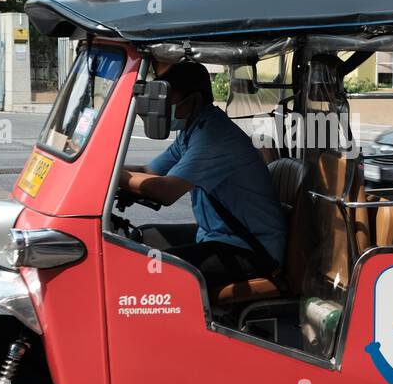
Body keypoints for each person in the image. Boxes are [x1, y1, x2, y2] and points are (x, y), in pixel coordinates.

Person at [119, 62, 287, 296]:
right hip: (218, 236)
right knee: (143, 238)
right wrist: (107, 169)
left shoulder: (214, 136)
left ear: (194, 100)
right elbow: (150, 170)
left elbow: (166, 191)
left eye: (170, 102)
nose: (165, 109)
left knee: (153, 269)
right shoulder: (191, 131)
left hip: (250, 249)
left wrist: (117, 177)